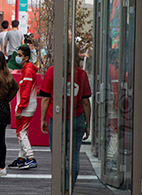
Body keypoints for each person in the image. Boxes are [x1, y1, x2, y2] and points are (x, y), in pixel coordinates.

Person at [38, 48, 92, 193]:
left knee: (58, 156)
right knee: (73, 157)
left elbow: (45, 98)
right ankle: (69, 189)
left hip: (56, 118)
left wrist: (42, 119)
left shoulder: (52, 71)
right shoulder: (81, 74)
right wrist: (87, 124)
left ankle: (59, 188)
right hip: (77, 118)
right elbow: (86, 101)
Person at [8, 46, 38, 170]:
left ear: (26, 57)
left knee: (21, 133)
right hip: (27, 105)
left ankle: (30, 158)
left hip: (26, 106)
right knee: (23, 132)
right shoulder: (28, 69)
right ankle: (21, 158)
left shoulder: (28, 71)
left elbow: (25, 92)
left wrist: (19, 108)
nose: (18, 57)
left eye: (20, 55)